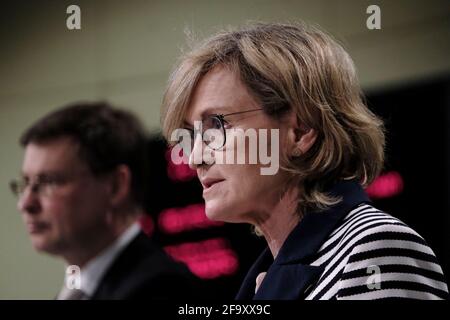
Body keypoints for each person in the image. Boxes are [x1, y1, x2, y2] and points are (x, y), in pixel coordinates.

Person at [160, 22, 449, 299]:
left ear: (301, 131)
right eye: (191, 133)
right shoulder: (263, 278)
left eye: (216, 124)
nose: (195, 156)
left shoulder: (374, 250)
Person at [11, 102, 200, 299]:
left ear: (115, 187)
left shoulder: (160, 289)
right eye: (26, 183)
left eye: (49, 182)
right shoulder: (78, 288)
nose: (25, 204)